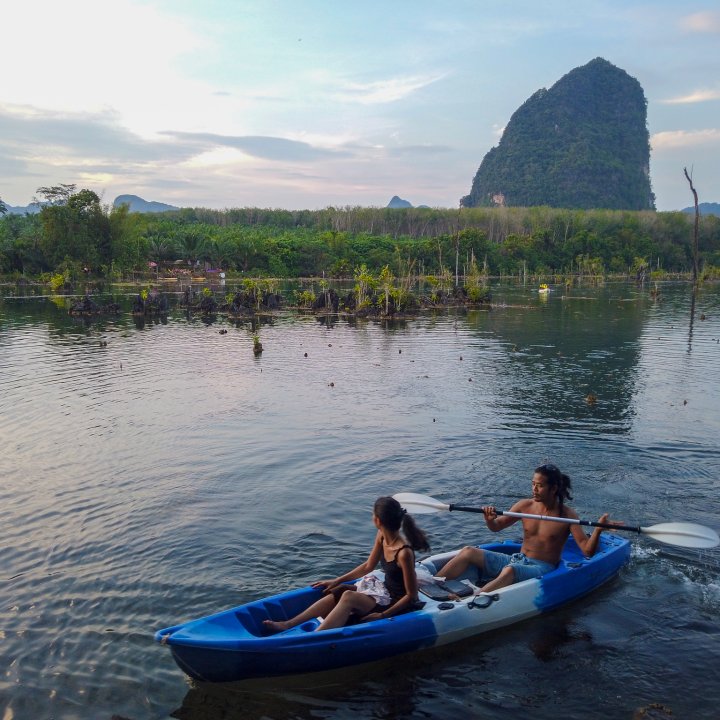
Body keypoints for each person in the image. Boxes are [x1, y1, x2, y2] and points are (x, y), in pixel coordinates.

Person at [438, 464, 618, 593]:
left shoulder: (568, 515)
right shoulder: (525, 506)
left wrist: (598, 529)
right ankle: (431, 585)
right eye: (533, 484)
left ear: (553, 488)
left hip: (543, 568)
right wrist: (489, 519)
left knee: (510, 570)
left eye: (540, 485)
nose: (534, 489)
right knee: (469, 551)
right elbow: (496, 527)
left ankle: (474, 600)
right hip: (518, 559)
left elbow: (587, 551)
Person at [263, 496, 430, 632]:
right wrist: (337, 580)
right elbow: (367, 566)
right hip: (384, 592)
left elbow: (411, 596)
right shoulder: (382, 536)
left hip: (397, 602)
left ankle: (317, 636)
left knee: (349, 597)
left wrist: (383, 615)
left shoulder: (404, 553)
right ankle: (288, 624)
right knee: (340, 590)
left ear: (377, 520)